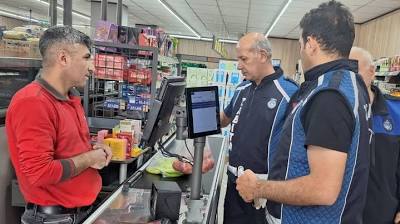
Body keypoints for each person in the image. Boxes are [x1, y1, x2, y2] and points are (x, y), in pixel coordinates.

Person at [236, 1, 371, 224]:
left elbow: (323, 189)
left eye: (300, 44)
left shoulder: (329, 96)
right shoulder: (350, 85)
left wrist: (259, 188)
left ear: (310, 44)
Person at [6, 26, 112, 224]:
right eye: (86, 58)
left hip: (79, 212)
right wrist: (89, 158)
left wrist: (95, 148)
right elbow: (39, 173)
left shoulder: (70, 98)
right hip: (55, 218)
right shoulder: (33, 102)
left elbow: (67, 146)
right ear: (63, 59)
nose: (92, 68)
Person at [220, 32, 298, 224]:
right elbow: (224, 119)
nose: (239, 65)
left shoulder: (289, 94)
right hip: (234, 186)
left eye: (243, 59)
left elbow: (297, 149)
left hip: (263, 195)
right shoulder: (241, 89)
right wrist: (196, 114)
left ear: (262, 56)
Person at [349, 47, 400, 224]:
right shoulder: (336, 112)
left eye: (352, 70)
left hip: (383, 212)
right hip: (343, 212)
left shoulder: (396, 113)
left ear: (371, 72)